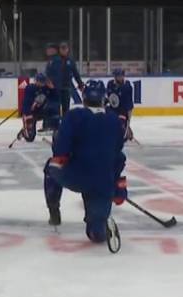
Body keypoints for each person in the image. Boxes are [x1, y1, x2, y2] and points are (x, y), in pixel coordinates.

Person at [43, 80, 126, 247]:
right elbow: (119, 157)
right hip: (104, 182)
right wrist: (118, 186)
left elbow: (61, 151)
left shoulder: (74, 116)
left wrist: (57, 143)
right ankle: (101, 223)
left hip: (78, 176)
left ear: (84, 97)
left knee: (51, 167)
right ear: (104, 98)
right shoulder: (115, 121)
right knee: (95, 235)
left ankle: (54, 209)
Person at [46, 41, 84, 124]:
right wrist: (48, 82)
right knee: (55, 107)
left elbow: (76, 74)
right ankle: (54, 125)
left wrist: (80, 84)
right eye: (62, 48)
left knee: (66, 108)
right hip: (55, 88)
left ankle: (65, 124)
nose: (63, 50)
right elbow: (48, 72)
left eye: (65, 48)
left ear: (68, 49)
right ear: (59, 50)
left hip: (66, 87)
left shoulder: (70, 61)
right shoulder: (54, 60)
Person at [20, 73, 56, 142]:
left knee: (52, 112)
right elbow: (26, 103)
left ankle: (48, 126)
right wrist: (27, 114)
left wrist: (53, 89)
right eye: (40, 81)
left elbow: (55, 98)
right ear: (36, 81)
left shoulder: (46, 88)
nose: (42, 83)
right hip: (30, 113)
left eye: (43, 82)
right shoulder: (30, 88)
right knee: (30, 138)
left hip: (40, 111)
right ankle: (25, 130)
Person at [106, 68, 134, 141]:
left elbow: (129, 106)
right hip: (112, 110)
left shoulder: (127, 87)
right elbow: (109, 99)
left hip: (122, 112)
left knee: (120, 131)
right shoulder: (110, 84)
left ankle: (124, 128)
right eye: (117, 76)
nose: (118, 78)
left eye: (120, 76)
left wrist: (128, 124)